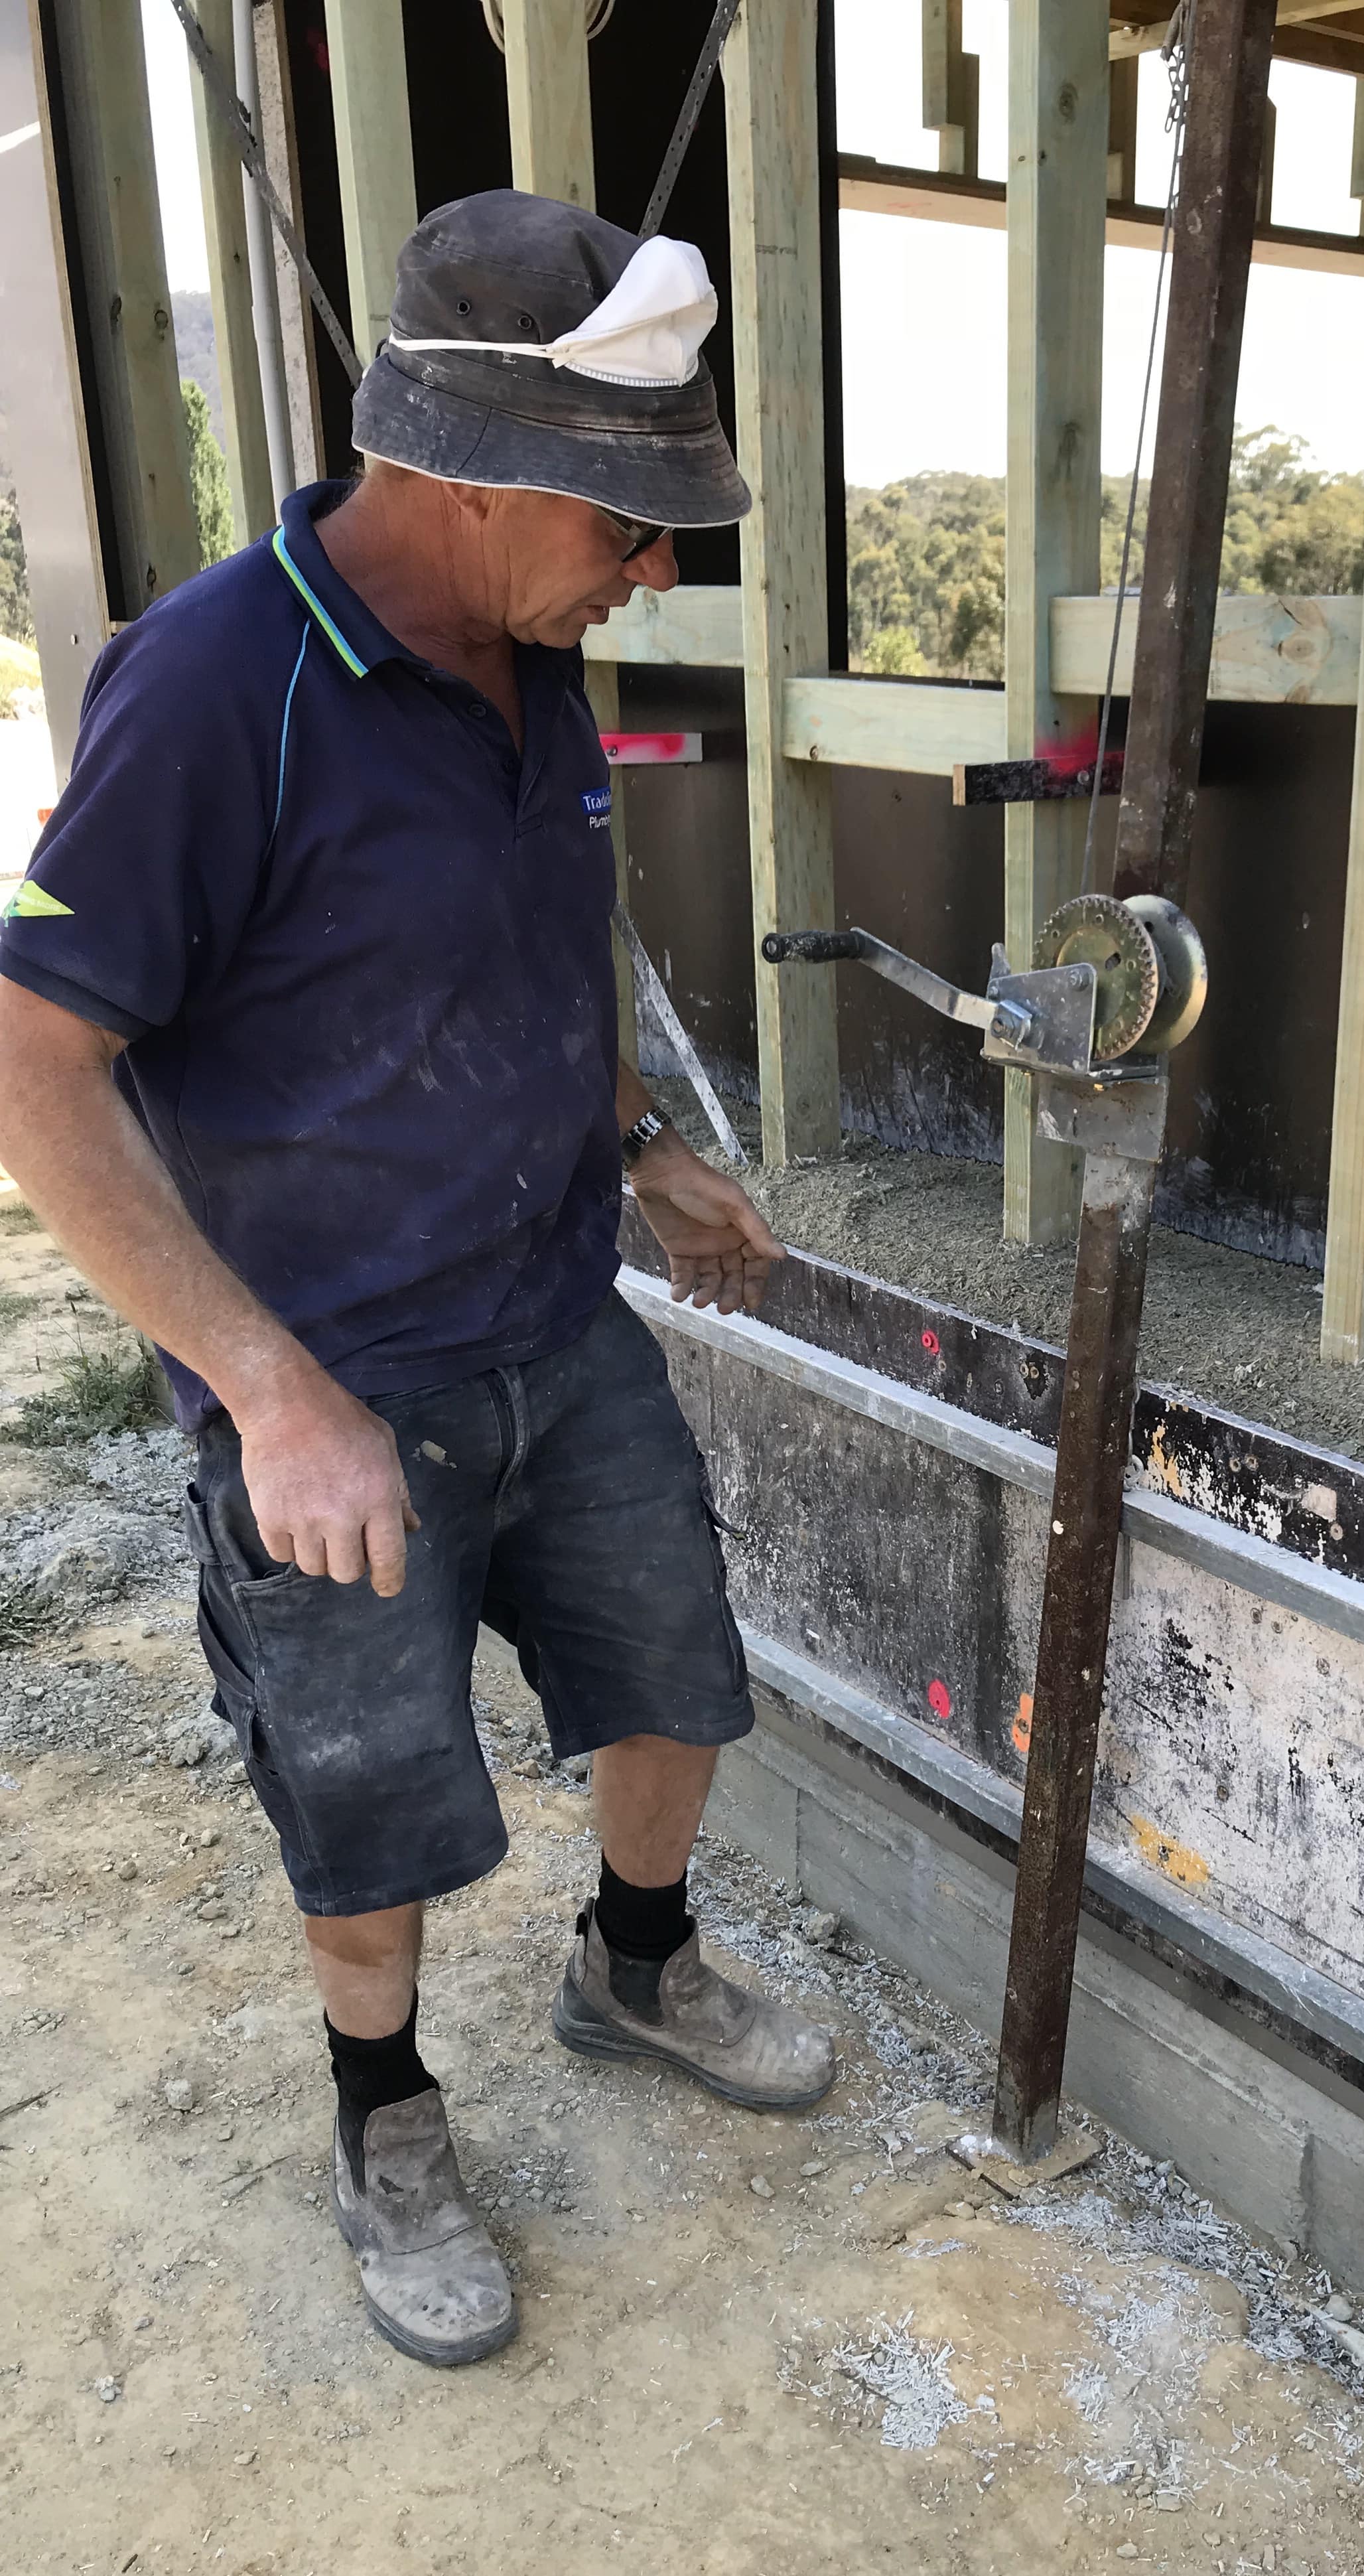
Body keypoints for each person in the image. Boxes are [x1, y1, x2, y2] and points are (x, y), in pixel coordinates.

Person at [0, 190, 832, 2368]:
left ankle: (634, 1967)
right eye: (630, 527)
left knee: (678, 1674)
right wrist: (268, 1389)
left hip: (556, 1312)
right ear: (473, 477)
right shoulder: (210, 686)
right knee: (364, 1789)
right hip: (336, 1377)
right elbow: (33, 1069)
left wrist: (639, 1149)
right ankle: (386, 2116)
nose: (654, 572)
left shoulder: (527, 660)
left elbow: (523, 962)